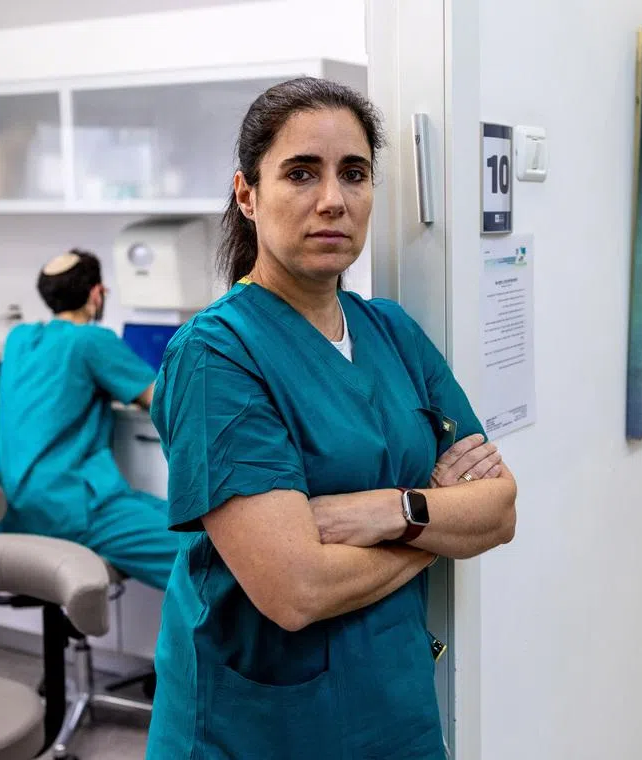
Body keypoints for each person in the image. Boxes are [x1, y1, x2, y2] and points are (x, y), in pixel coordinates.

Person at [145, 77, 518, 758]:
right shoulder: (216, 355)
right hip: (261, 727)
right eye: (300, 173)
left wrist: (391, 509)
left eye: (354, 173)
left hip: (395, 703)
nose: (332, 201)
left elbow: (499, 512)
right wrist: (440, 520)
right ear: (247, 195)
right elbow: (297, 589)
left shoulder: (393, 332)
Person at [0, 250, 179, 590]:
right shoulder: (91, 340)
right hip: (73, 508)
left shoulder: (17, 338)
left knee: (184, 519)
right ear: (97, 294)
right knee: (206, 554)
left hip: (19, 510)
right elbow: (165, 401)